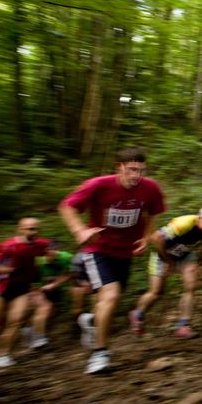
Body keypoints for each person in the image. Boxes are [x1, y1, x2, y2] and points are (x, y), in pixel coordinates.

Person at [59, 147, 166, 374]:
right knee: (111, 295)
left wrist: (146, 236)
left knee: (108, 302)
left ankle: (90, 321)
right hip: (98, 250)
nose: (137, 175)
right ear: (119, 168)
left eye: (141, 170)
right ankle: (100, 354)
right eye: (131, 170)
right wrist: (79, 230)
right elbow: (67, 206)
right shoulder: (99, 185)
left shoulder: (150, 188)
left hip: (125, 253)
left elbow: (154, 212)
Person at [129, 206, 202, 339]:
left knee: (191, 286)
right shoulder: (184, 223)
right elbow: (156, 238)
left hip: (184, 255)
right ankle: (137, 314)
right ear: (201, 218)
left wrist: (198, 263)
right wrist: (168, 262)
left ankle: (184, 326)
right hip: (162, 255)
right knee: (156, 292)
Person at [0, 217, 55, 368]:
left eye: (36, 228)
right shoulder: (7, 245)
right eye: (29, 229)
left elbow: (50, 250)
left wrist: (50, 257)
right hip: (2, 287)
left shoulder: (41, 243)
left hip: (22, 288)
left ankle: (1, 355)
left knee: (16, 321)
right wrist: (10, 270)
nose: (33, 232)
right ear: (20, 229)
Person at [24, 249, 74, 349]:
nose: (48, 258)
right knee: (45, 307)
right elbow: (29, 278)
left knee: (52, 312)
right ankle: (39, 338)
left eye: (51, 255)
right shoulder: (38, 261)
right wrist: (36, 290)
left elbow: (70, 273)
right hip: (35, 287)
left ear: (57, 253)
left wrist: (55, 284)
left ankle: (30, 331)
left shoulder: (66, 257)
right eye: (46, 255)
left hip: (54, 289)